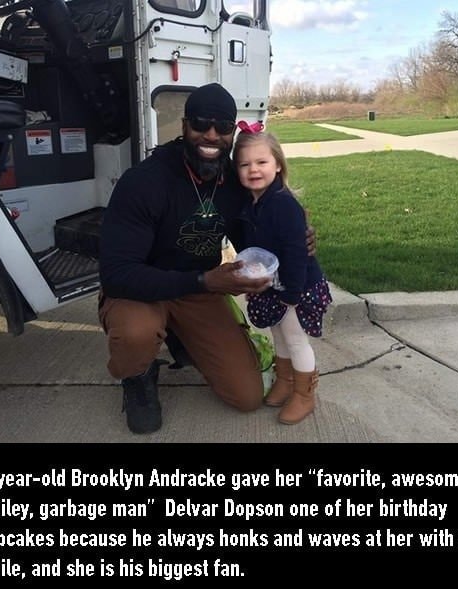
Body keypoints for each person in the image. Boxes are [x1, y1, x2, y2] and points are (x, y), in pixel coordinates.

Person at [98, 83, 314, 435]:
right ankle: (138, 376)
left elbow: (252, 238)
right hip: (140, 291)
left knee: (246, 396)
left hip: (197, 291)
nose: (211, 135)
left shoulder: (232, 181)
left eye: (223, 127)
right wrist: (206, 281)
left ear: (232, 131)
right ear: (184, 125)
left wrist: (295, 240)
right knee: (136, 334)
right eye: (200, 124)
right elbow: (117, 275)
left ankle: (182, 337)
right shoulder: (144, 182)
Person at [233, 130, 332, 425]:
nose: (253, 170)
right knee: (278, 335)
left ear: (278, 165)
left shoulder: (283, 204)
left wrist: (292, 292)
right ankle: (285, 380)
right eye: (244, 165)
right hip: (272, 285)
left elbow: (295, 251)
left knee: (296, 339)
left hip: (295, 286)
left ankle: (304, 394)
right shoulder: (252, 203)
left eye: (261, 162)